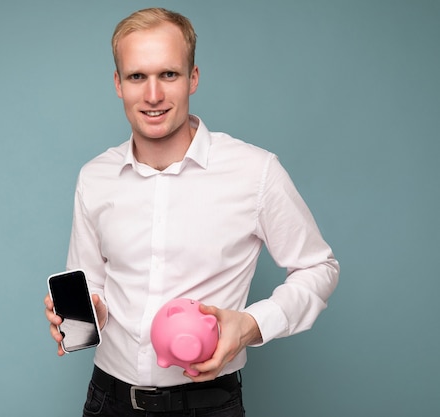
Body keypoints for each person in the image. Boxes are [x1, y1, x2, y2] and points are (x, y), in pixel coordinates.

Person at [44, 7, 339, 417]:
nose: (152, 95)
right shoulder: (95, 176)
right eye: (136, 77)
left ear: (193, 78)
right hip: (107, 401)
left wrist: (252, 324)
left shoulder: (255, 171)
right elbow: (91, 283)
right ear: (118, 84)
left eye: (168, 74)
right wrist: (84, 313)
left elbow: (319, 267)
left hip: (208, 404)